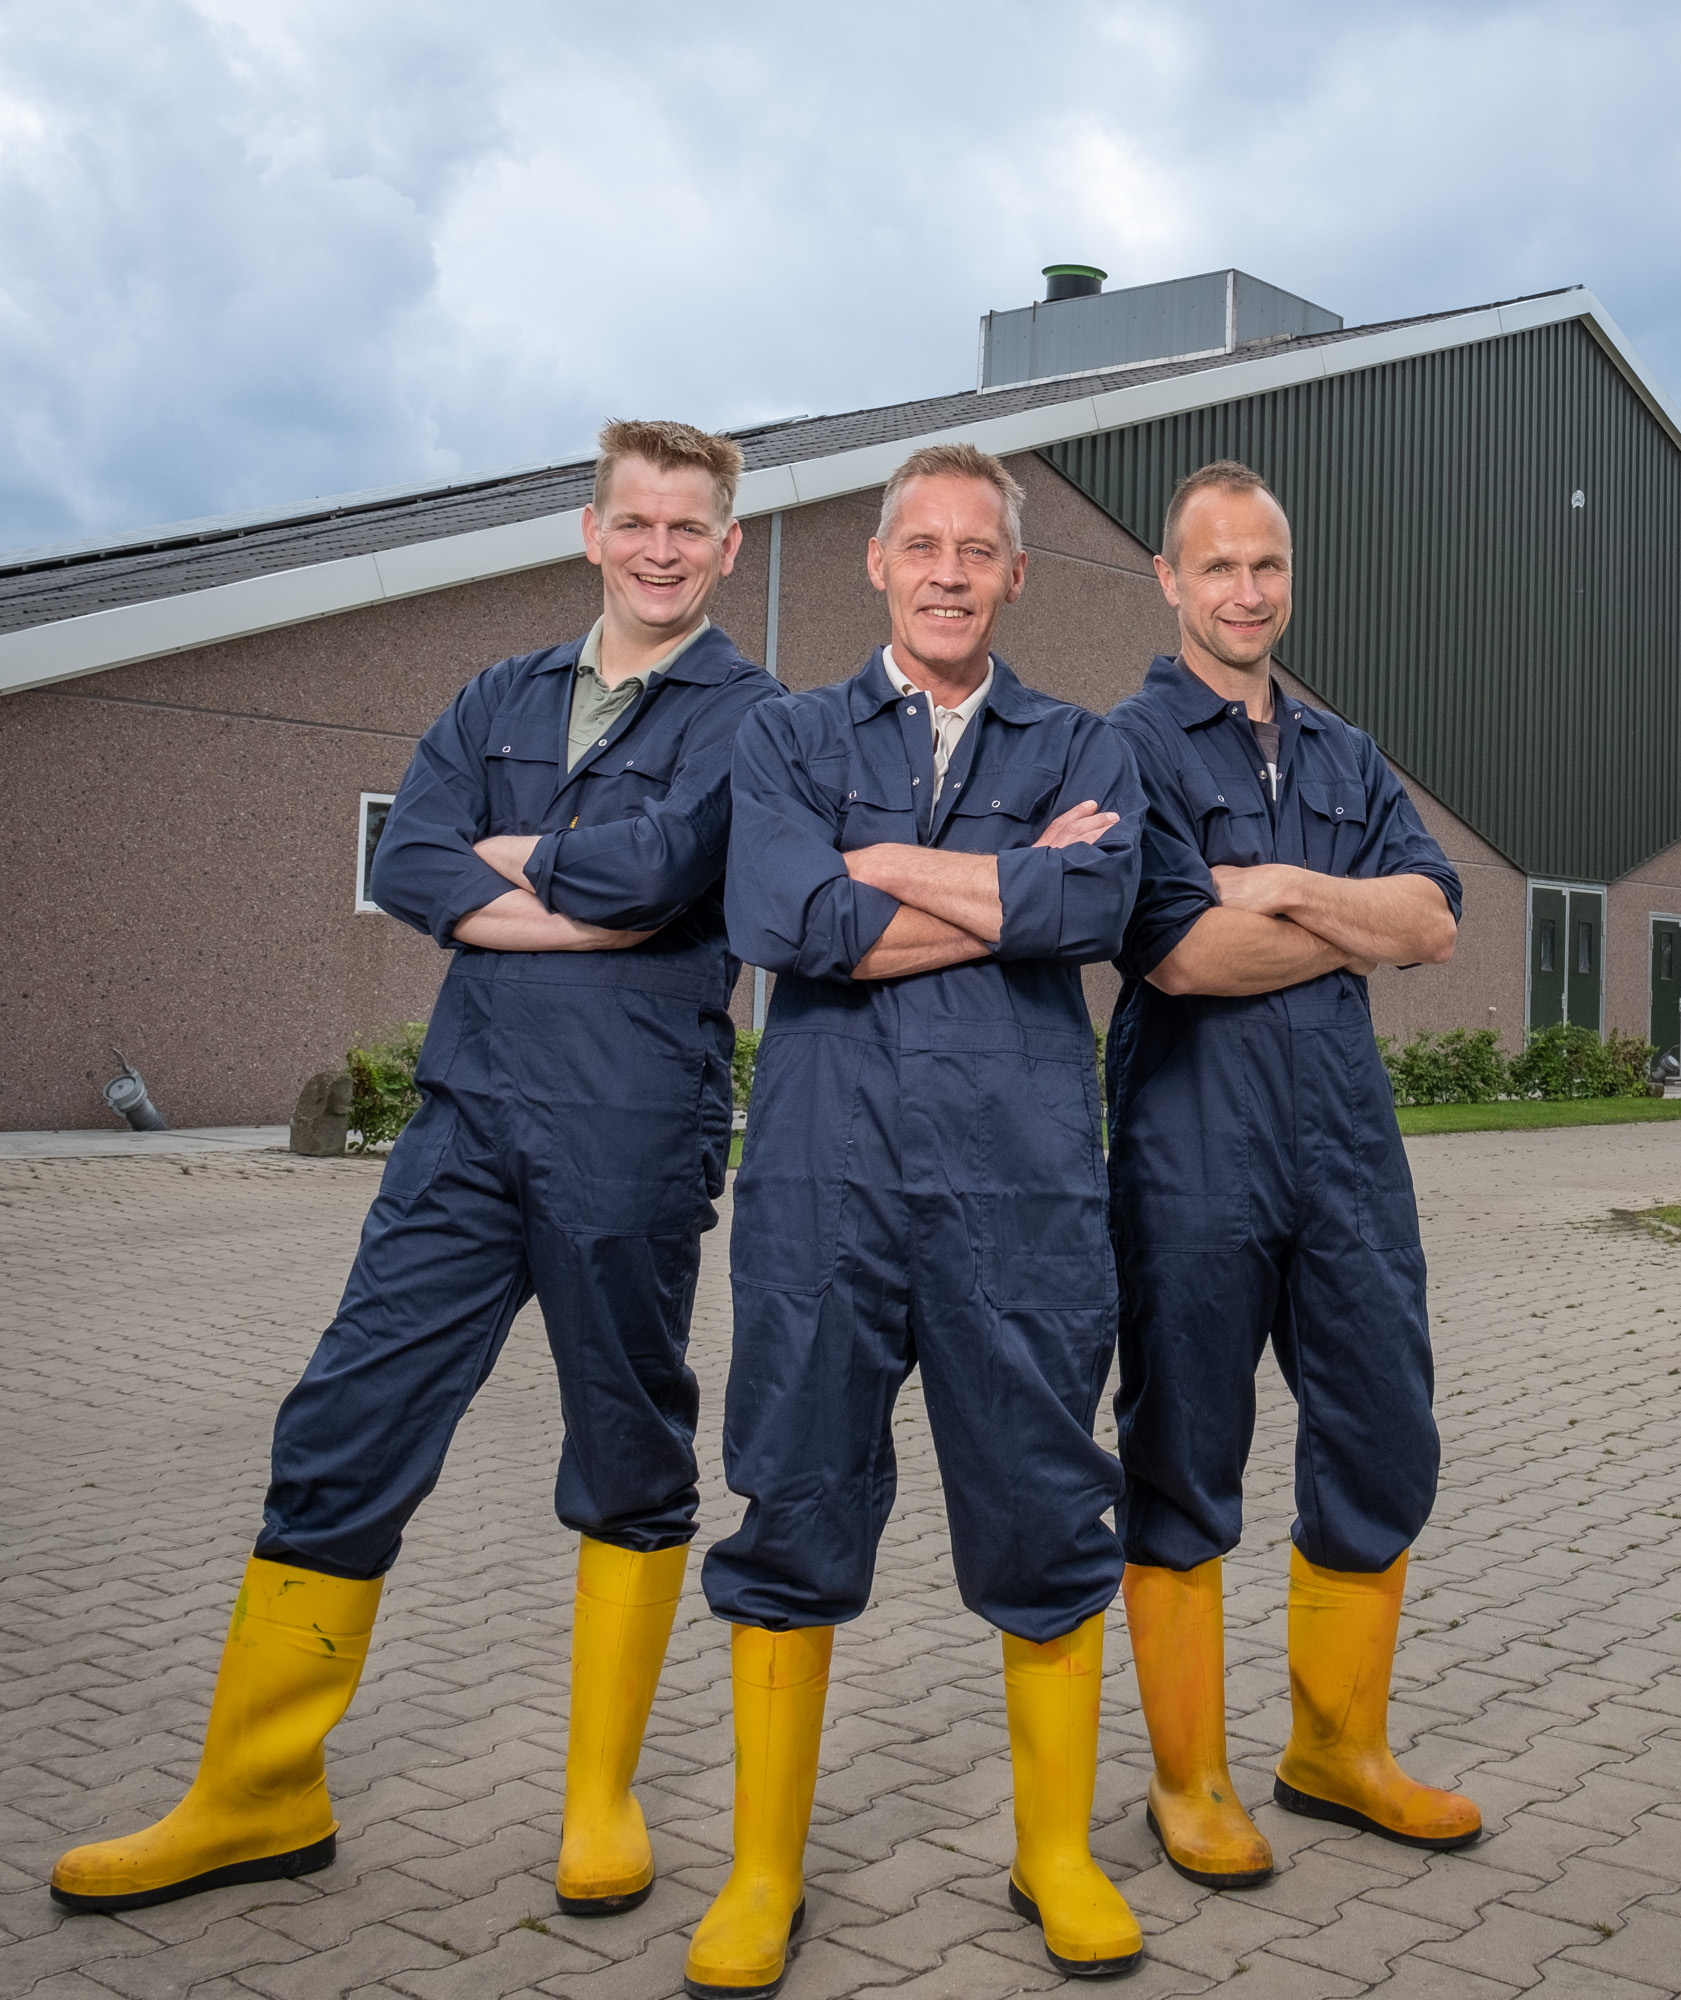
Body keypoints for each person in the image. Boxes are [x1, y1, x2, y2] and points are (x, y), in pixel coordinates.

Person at [49, 420, 780, 1919]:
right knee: (343, 1418)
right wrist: (573, 890)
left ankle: (600, 1800)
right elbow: (414, 866)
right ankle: (258, 1790)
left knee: (628, 1446)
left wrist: (513, 868)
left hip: (631, 1130)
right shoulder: (498, 693)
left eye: (686, 528)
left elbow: (658, 879)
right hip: (464, 1127)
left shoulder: (752, 718)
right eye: (634, 521)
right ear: (591, 530)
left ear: (728, 548)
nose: (658, 549)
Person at [685, 444, 1145, 1997]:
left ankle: (1056, 1855)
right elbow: (784, 921)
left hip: (1020, 1194)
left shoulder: (1087, 743)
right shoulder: (788, 735)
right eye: (921, 545)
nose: (949, 570)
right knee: (793, 1497)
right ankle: (762, 1875)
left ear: (1019, 575)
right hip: (824, 1189)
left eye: (980, 550)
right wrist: (997, 888)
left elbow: (1096, 913)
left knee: (1041, 1500)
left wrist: (883, 865)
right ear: (876, 562)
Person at [1103, 460, 1480, 1890]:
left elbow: (1437, 922)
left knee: (1386, 1433)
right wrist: (1355, 922)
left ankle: (1337, 1753)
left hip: (1343, 1150)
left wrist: (1285, 888)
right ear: (1170, 580)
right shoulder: (1124, 749)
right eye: (1218, 567)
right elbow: (1183, 951)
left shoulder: (1345, 753)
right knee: (1184, 1454)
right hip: (1190, 1148)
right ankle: (1188, 1780)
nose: (1246, 591)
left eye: (1266, 566)